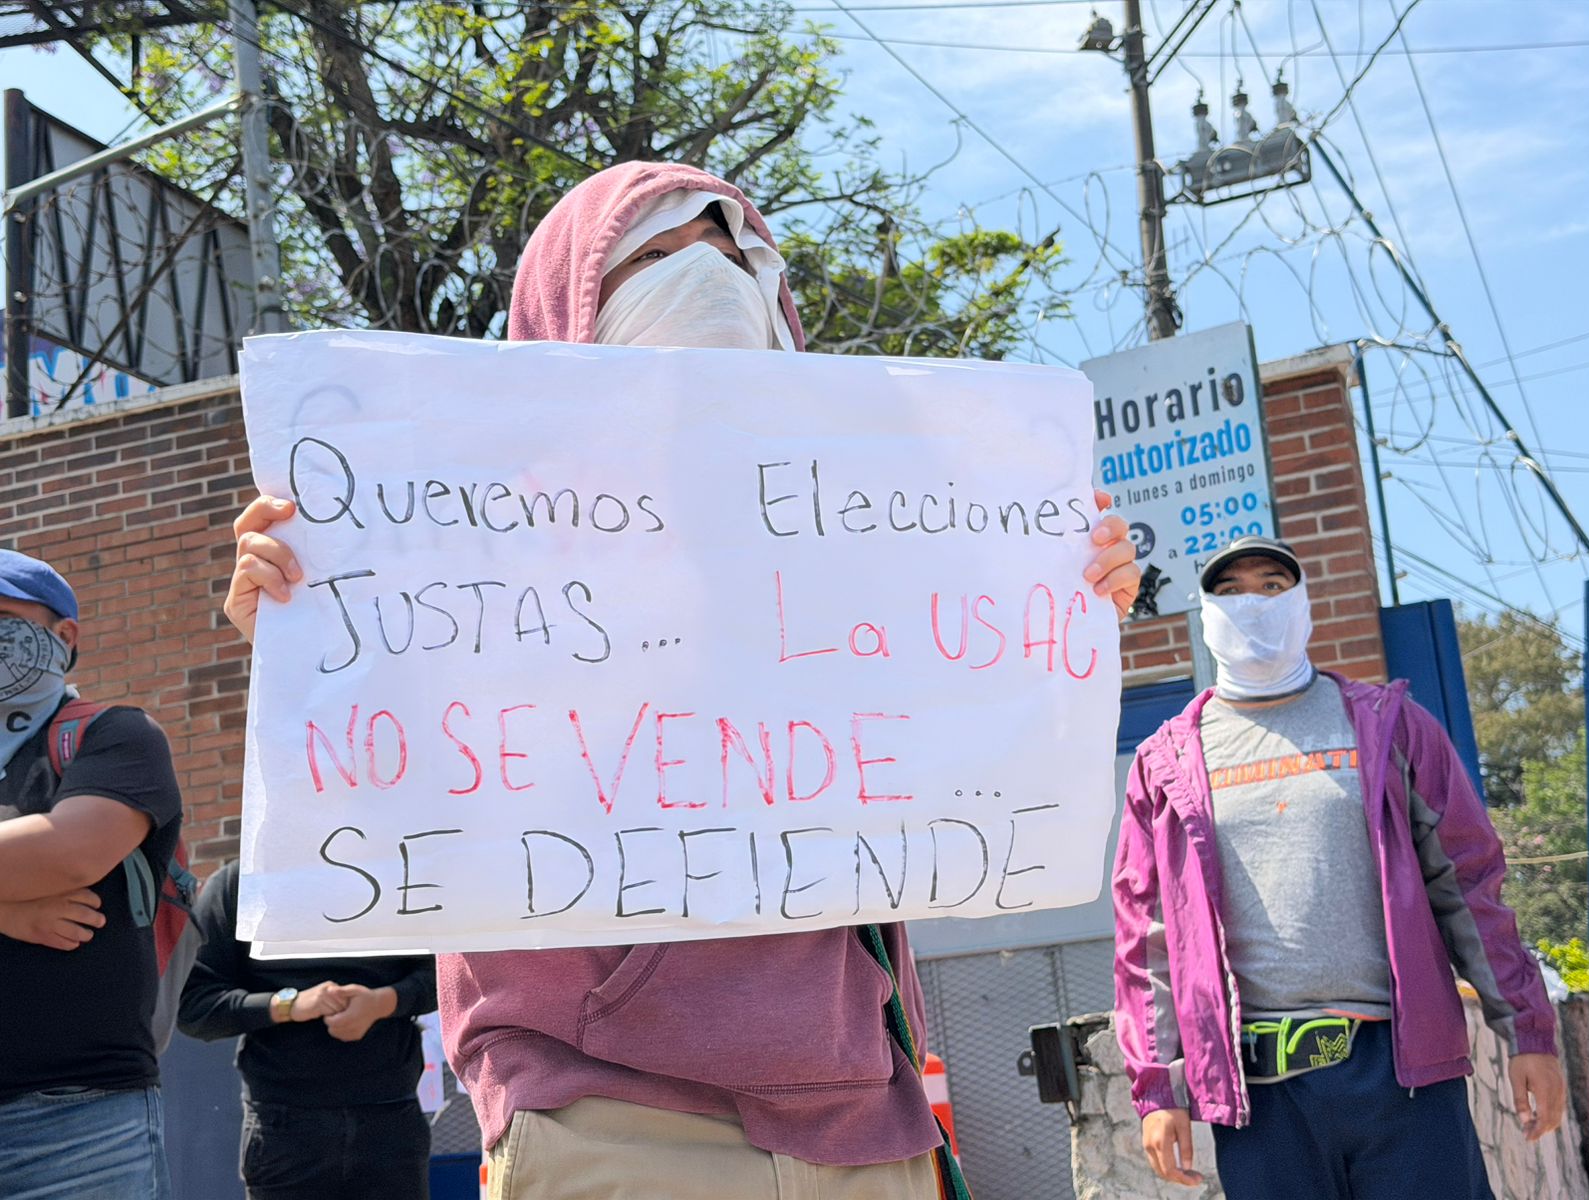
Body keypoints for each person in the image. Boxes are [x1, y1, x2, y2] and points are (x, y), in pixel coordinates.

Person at [224, 160, 1143, 1200]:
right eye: (654, 257)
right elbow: (386, 797)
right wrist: (310, 639)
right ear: (565, 304)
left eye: (731, 255)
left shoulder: (864, 527)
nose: (703, 278)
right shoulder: (449, 538)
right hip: (604, 1106)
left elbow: (965, 751)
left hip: (857, 1105)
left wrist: (1062, 615)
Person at [1112, 534, 1567, 1199]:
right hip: (1262, 1101)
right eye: (1232, 591)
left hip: (1402, 1079)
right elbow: (1145, 938)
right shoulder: (1164, 762)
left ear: (1303, 604)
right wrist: (1158, 1088)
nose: (1255, 605)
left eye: (1272, 586)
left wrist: (1528, 1030)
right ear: (1206, 612)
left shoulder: (1392, 726)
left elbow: (1469, 884)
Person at [0, 549, 183, 1200]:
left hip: (79, 1120)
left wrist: (30, 873)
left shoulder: (116, 736)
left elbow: (71, 852)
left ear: (63, 634)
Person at [178, 858, 438, 1199]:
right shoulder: (240, 883)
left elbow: (449, 973)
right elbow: (194, 1005)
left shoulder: (398, 870)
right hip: (285, 1124)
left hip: (388, 1116)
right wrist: (288, 1005)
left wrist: (384, 1002)